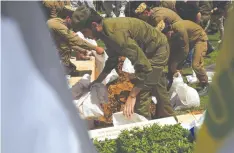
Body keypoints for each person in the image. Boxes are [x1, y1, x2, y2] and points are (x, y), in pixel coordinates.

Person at [72, 8, 176, 120]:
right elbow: (112, 59)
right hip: (150, 49)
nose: (86, 36)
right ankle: (168, 119)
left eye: (84, 32)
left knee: (142, 91)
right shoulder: (105, 31)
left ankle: (145, 129)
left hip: (158, 50)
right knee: (157, 86)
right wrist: (98, 81)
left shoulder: (116, 35)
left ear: (93, 25)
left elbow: (143, 66)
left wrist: (132, 96)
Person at [47, 6, 104, 75]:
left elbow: (70, 43)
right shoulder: (55, 24)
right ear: (68, 18)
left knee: (72, 68)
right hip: (46, 58)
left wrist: (83, 50)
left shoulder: (62, 26)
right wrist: (95, 48)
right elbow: (74, 39)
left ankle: (64, 65)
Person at [162, 20, 209, 96]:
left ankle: (205, 85)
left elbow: (185, 51)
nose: (167, 37)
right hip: (190, 39)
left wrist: (175, 63)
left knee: (196, 64)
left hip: (199, 38)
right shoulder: (173, 32)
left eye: (166, 35)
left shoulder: (179, 30)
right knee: (173, 59)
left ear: (169, 31)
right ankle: (171, 81)